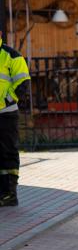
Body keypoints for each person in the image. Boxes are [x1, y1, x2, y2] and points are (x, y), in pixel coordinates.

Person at [0, 28, 30, 207]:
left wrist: (7, 100)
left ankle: (9, 194)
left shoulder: (12, 55)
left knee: (7, 152)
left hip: (6, 113)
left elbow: (23, 83)